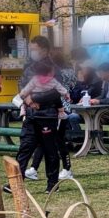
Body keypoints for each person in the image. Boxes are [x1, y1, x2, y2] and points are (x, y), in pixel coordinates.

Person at [16, 59, 69, 191]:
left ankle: (52, 184)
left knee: (50, 151)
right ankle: (16, 184)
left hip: (47, 118)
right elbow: (21, 93)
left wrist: (32, 98)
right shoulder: (31, 74)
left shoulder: (52, 76)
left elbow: (54, 94)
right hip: (31, 118)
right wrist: (28, 100)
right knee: (25, 149)